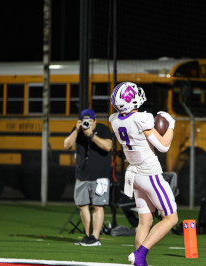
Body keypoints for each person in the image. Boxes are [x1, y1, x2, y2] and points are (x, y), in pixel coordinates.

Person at [109, 82, 178, 266]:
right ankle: (140, 255)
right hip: (149, 173)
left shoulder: (115, 120)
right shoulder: (142, 118)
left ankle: (140, 263)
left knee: (145, 221)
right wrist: (171, 125)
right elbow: (163, 146)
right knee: (171, 218)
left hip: (133, 173)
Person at [64, 109, 112, 246]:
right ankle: (88, 235)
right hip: (82, 175)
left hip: (99, 175)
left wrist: (91, 135)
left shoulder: (103, 129)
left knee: (98, 205)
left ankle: (95, 238)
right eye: (84, 121)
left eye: (89, 121)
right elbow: (67, 145)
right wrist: (77, 130)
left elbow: (108, 146)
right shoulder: (78, 130)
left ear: (95, 120)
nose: (87, 123)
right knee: (82, 205)